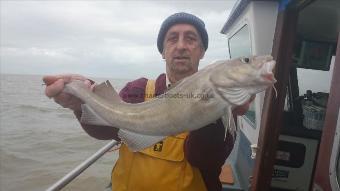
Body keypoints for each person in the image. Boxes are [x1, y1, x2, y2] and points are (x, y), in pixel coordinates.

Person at [43, 12, 253, 191]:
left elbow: (204, 160)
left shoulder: (226, 103)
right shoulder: (138, 90)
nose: (181, 46)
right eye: (172, 39)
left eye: (190, 39)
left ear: (202, 51)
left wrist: (214, 110)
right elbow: (107, 130)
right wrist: (79, 105)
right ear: (163, 51)